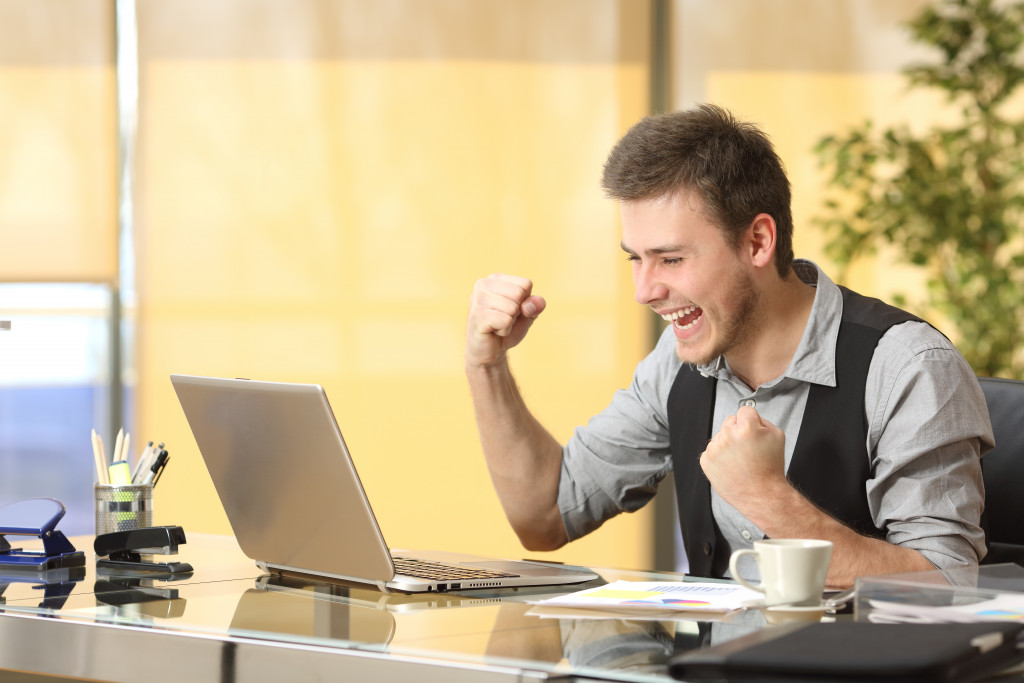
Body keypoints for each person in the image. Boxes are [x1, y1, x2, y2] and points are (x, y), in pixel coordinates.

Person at [464, 104, 992, 588]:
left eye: (670, 259)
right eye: (635, 258)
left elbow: (949, 585)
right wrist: (486, 364)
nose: (644, 290)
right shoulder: (675, 364)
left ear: (757, 242)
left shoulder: (908, 367)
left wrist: (769, 496)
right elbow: (545, 517)